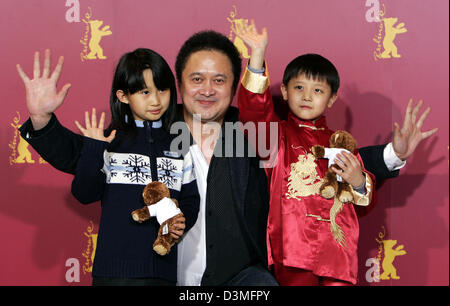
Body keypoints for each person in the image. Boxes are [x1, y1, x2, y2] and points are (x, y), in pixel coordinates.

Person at [17, 31, 436, 286]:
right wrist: (41, 119)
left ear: (235, 85)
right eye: (196, 79)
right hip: (161, 276)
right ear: (177, 84)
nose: (207, 89)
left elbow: (318, 155)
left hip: (240, 280)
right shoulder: (147, 132)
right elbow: (82, 156)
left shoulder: (254, 131)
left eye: (220, 80)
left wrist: (393, 154)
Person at [234, 22, 438, 286]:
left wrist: (357, 181)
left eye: (317, 90)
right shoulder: (277, 137)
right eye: (299, 88)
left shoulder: (342, 144)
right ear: (284, 91)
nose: (307, 96)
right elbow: (254, 113)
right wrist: (258, 57)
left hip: (338, 253)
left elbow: (363, 206)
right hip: (292, 252)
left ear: (331, 99)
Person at [18, 48, 200, 286]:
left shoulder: (180, 143)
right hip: (114, 275)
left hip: (163, 274)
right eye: (145, 92)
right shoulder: (109, 141)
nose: (156, 100)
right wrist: (41, 117)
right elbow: (84, 193)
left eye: (162, 90)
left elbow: (190, 200)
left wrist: (179, 222)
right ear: (123, 96)